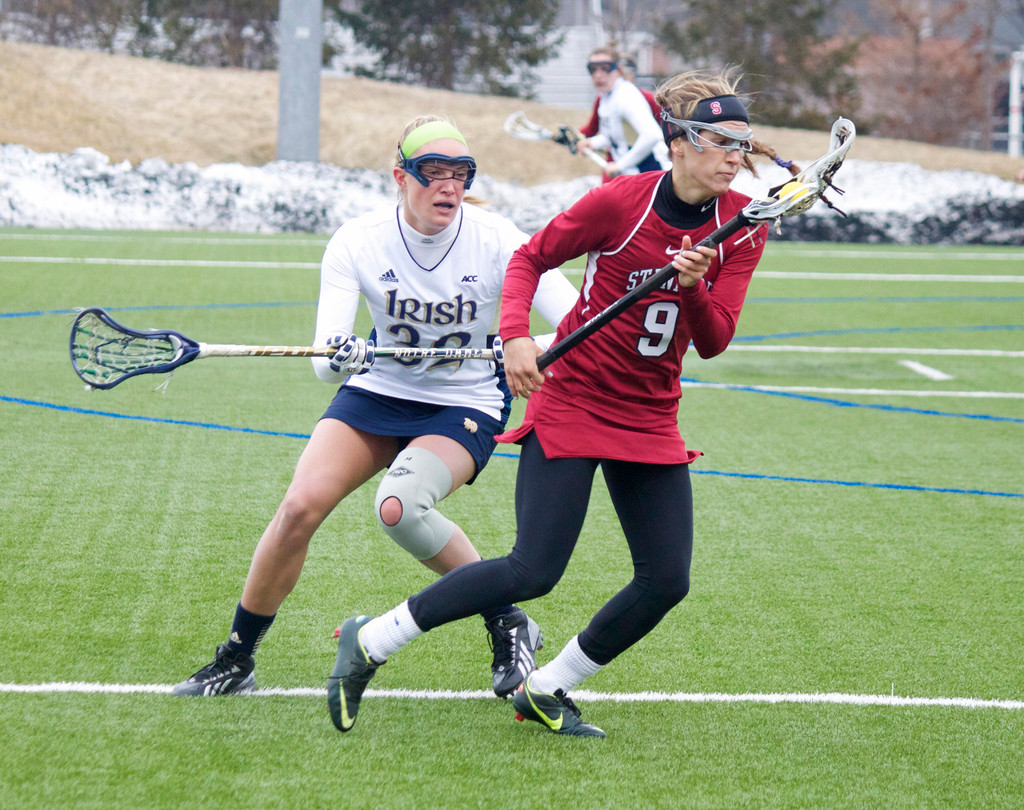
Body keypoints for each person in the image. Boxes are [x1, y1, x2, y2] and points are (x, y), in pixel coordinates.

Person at [327, 69, 774, 737]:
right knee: (534, 569)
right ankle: (371, 640)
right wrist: (514, 339)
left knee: (666, 580)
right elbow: (529, 259)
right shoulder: (619, 202)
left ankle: (547, 687)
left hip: (651, 411)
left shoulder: (741, 227)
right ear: (677, 143)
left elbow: (713, 341)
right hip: (576, 396)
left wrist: (691, 287)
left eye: (742, 143)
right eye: (719, 141)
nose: (734, 157)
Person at [172, 115, 578, 699]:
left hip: (462, 398)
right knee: (298, 509)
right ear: (400, 176)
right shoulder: (358, 241)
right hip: (379, 389)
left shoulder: (501, 239)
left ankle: (503, 616)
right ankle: (236, 660)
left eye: (460, 174)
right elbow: (324, 361)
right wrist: (344, 354)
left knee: (401, 506)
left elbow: (576, 324)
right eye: (431, 173)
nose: (448, 187)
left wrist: (522, 344)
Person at [577, 43, 669, 180]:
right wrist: (592, 143)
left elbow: (652, 135)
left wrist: (620, 165)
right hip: (632, 175)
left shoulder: (626, 96)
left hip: (651, 173)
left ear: (618, 70)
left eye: (605, 68)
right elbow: (613, 135)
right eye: (593, 69)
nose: (598, 75)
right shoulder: (606, 97)